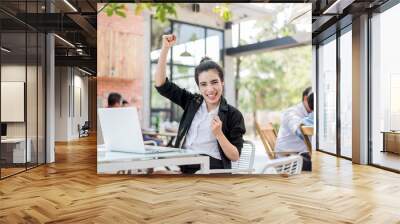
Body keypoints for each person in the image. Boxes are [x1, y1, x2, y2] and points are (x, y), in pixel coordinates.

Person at [155, 34, 246, 174]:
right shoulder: (192, 102)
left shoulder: (233, 114)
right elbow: (161, 85)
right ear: (198, 87)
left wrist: (219, 134)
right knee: (157, 174)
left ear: (222, 81)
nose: (210, 89)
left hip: (212, 172)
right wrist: (165, 49)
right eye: (203, 84)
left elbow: (235, 156)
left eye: (214, 82)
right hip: (185, 166)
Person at [275, 87, 314, 171]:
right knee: (322, 166)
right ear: (306, 98)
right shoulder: (291, 112)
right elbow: (299, 131)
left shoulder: (310, 114)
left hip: (301, 155)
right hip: (288, 159)